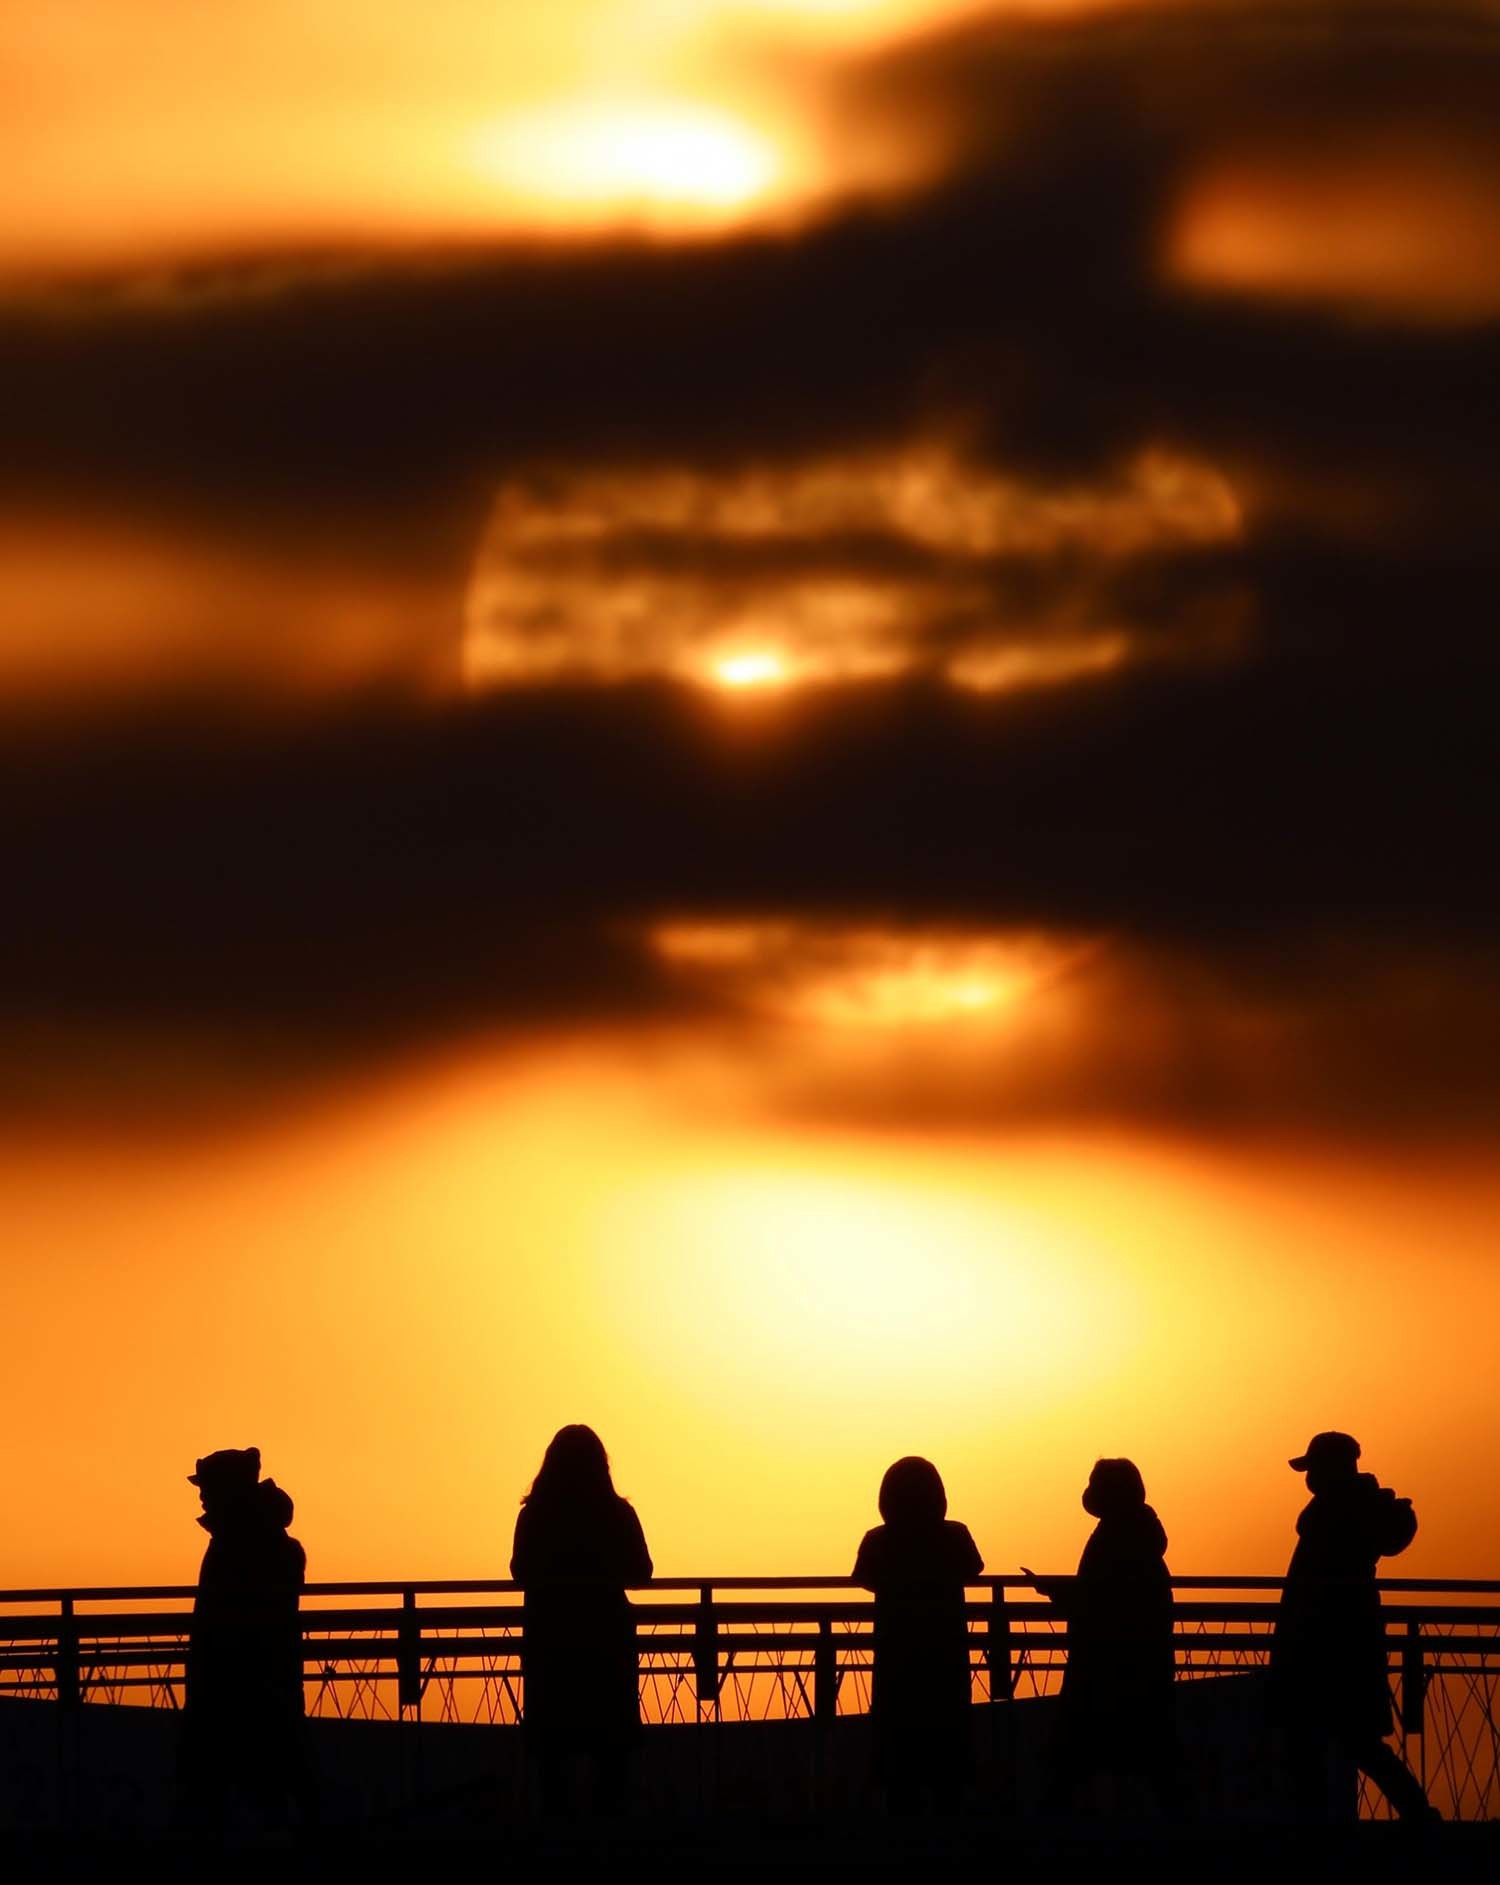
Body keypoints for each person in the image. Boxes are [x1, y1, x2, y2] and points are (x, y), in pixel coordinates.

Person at [1270, 1431, 1437, 1823]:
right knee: (1351, 1743)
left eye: (1313, 1468)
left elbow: (1318, 1590)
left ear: (1332, 1468)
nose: (1308, 1478)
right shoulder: (1347, 1509)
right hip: (1344, 1642)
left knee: (1330, 1742)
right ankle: (1416, 1816)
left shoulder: (1337, 1513)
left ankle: (1411, 1817)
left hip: (1329, 1645)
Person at [511, 1425, 653, 1815]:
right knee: (611, 1759)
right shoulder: (618, 1514)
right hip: (607, 1645)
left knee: (553, 1760)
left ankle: (555, 1837)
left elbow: (520, 1571)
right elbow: (642, 1571)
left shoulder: (535, 1516)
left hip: (550, 1646)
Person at [1025, 1457, 1179, 1813]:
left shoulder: (1117, 1537)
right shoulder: (1139, 1535)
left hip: (1104, 1664)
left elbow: (1101, 1598)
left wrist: (1055, 1592)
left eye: (1095, 1485)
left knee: (1078, 1749)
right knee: (1150, 1751)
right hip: (1144, 1662)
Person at [181, 1447, 308, 1832]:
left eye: (207, 1487)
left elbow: (228, 1616)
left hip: (236, 1684)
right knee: (269, 1788)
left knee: (233, 1788)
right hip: (265, 1681)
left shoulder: (238, 1542)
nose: (202, 1496)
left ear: (229, 1490)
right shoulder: (266, 1540)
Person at [852, 1456, 984, 1810]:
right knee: (948, 1737)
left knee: (898, 1741)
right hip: (945, 1650)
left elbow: (862, 1577)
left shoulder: (877, 1540)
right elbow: (974, 1567)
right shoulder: (955, 1535)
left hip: (896, 1650)